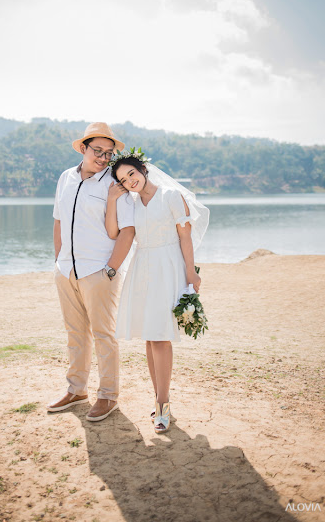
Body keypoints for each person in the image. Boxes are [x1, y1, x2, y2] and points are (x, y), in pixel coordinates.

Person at [105, 150, 209, 433]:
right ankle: (160, 399)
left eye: (132, 174)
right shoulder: (131, 202)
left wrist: (190, 272)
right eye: (123, 180)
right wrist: (113, 199)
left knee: (161, 336)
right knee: (150, 337)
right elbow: (115, 232)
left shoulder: (171, 196)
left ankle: (163, 405)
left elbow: (185, 236)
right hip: (142, 267)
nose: (129, 181)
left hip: (168, 266)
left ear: (143, 170)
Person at [47, 123, 135, 422]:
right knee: (75, 333)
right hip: (66, 269)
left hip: (99, 270)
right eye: (97, 150)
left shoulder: (115, 183)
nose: (103, 157)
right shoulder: (65, 178)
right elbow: (58, 220)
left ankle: (108, 395)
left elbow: (127, 230)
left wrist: (111, 268)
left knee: (103, 334)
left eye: (108, 153)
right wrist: (59, 261)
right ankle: (77, 390)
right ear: (83, 148)